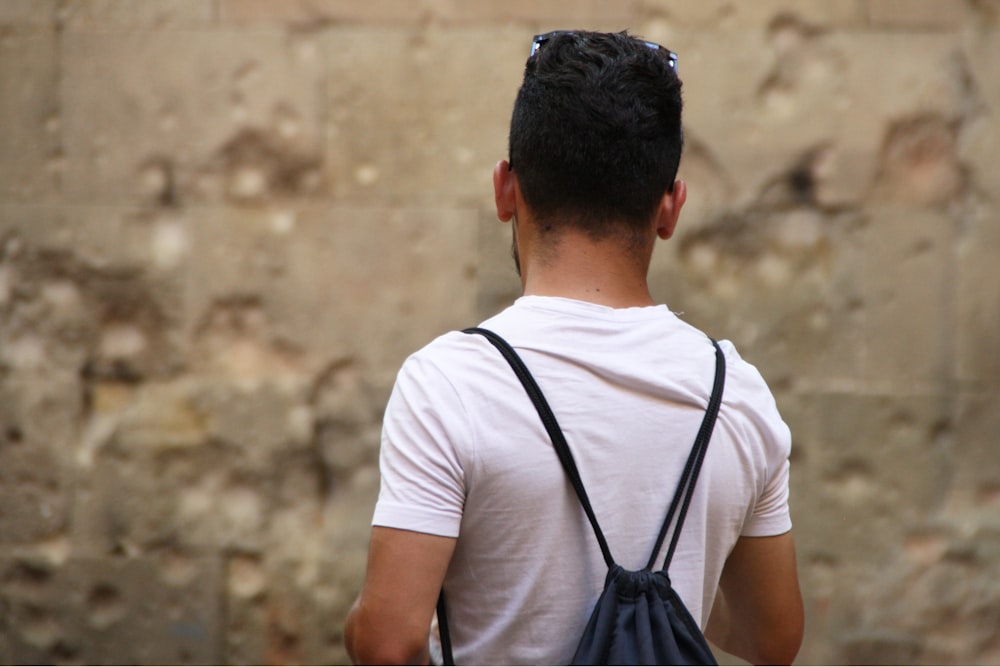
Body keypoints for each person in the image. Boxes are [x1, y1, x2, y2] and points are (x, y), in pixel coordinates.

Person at [344, 30, 804, 665]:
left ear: (507, 190)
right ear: (670, 208)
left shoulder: (449, 383)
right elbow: (772, 639)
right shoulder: (736, 391)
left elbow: (387, 644)